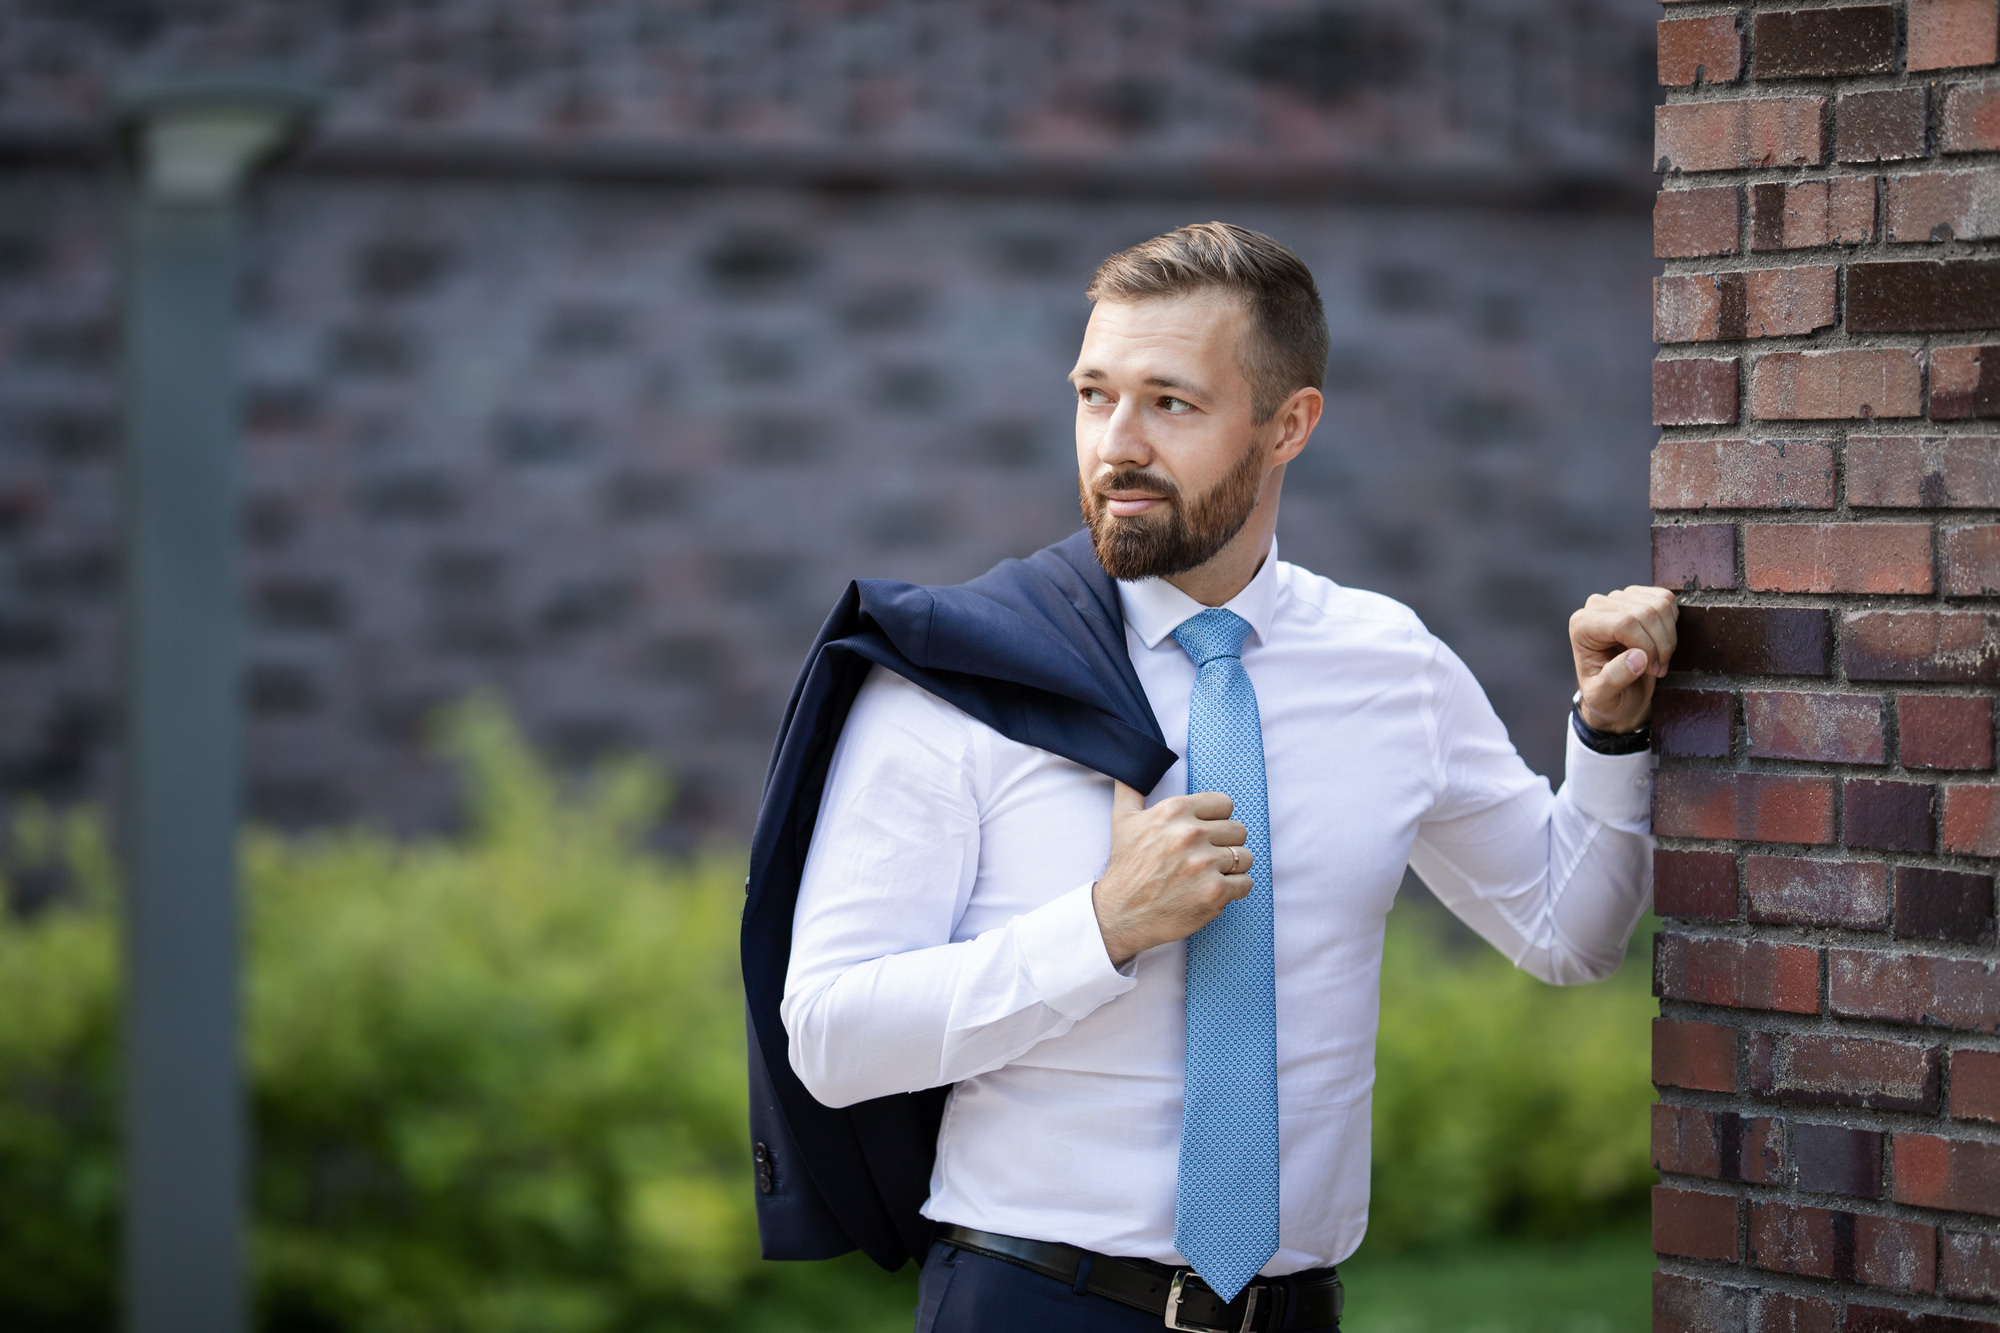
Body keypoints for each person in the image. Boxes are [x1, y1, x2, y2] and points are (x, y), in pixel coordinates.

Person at [750, 222, 1676, 1332]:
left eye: (1169, 403)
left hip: (1294, 1314)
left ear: (1288, 424)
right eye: (1094, 397)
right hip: (1034, 1301)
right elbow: (831, 1036)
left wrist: (1608, 734)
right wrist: (1099, 927)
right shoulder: (955, 680)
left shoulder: (1392, 667)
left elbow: (1567, 932)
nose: (1115, 445)